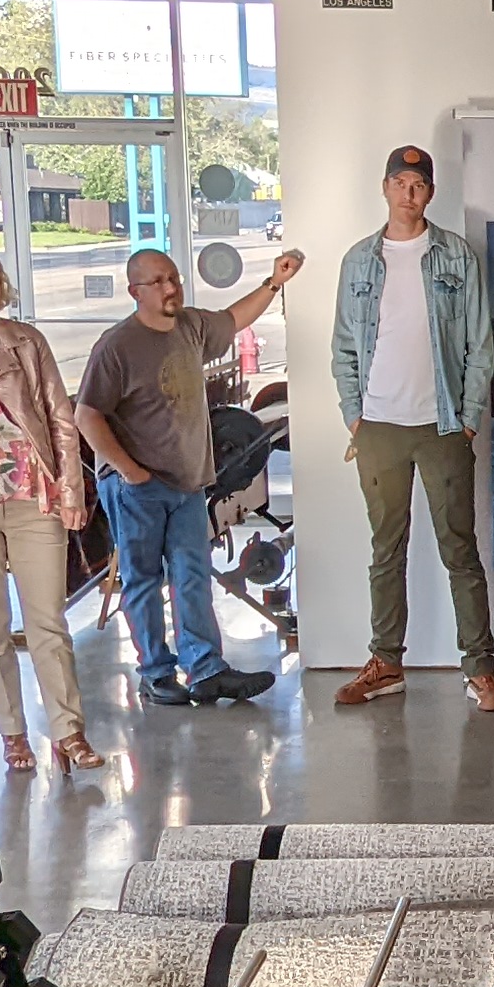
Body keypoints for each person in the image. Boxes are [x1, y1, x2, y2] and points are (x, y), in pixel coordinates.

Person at [75, 242, 304, 706]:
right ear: (135, 291)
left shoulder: (191, 326)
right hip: (137, 486)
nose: (170, 288)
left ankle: (206, 669)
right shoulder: (117, 346)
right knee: (143, 579)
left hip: (187, 482)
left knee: (192, 575)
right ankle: (156, 674)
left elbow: (234, 318)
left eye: (174, 279)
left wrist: (274, 283)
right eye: (158, 282)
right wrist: (130, 472)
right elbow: (87, 415)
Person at [328, 143, 494, 714]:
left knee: (460, 550)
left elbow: (480, 345)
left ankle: (479, 668)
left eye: (419, 185)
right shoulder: (358, 261)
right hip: (378, 428)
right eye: (400, 183)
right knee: (386, 550)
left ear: (431, 192)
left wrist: (468, 420)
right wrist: (354, 414)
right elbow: (343, 346)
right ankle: (385, 664)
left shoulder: (456, 256)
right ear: (386, 187)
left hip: (443, 426)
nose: (409, 193)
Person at [0, 239, 99, 772]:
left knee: (48, 621)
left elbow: (61, 418)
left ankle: (68, 731)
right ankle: (12, 733)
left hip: (35, 498)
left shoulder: (25, 342)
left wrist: (71, 492)